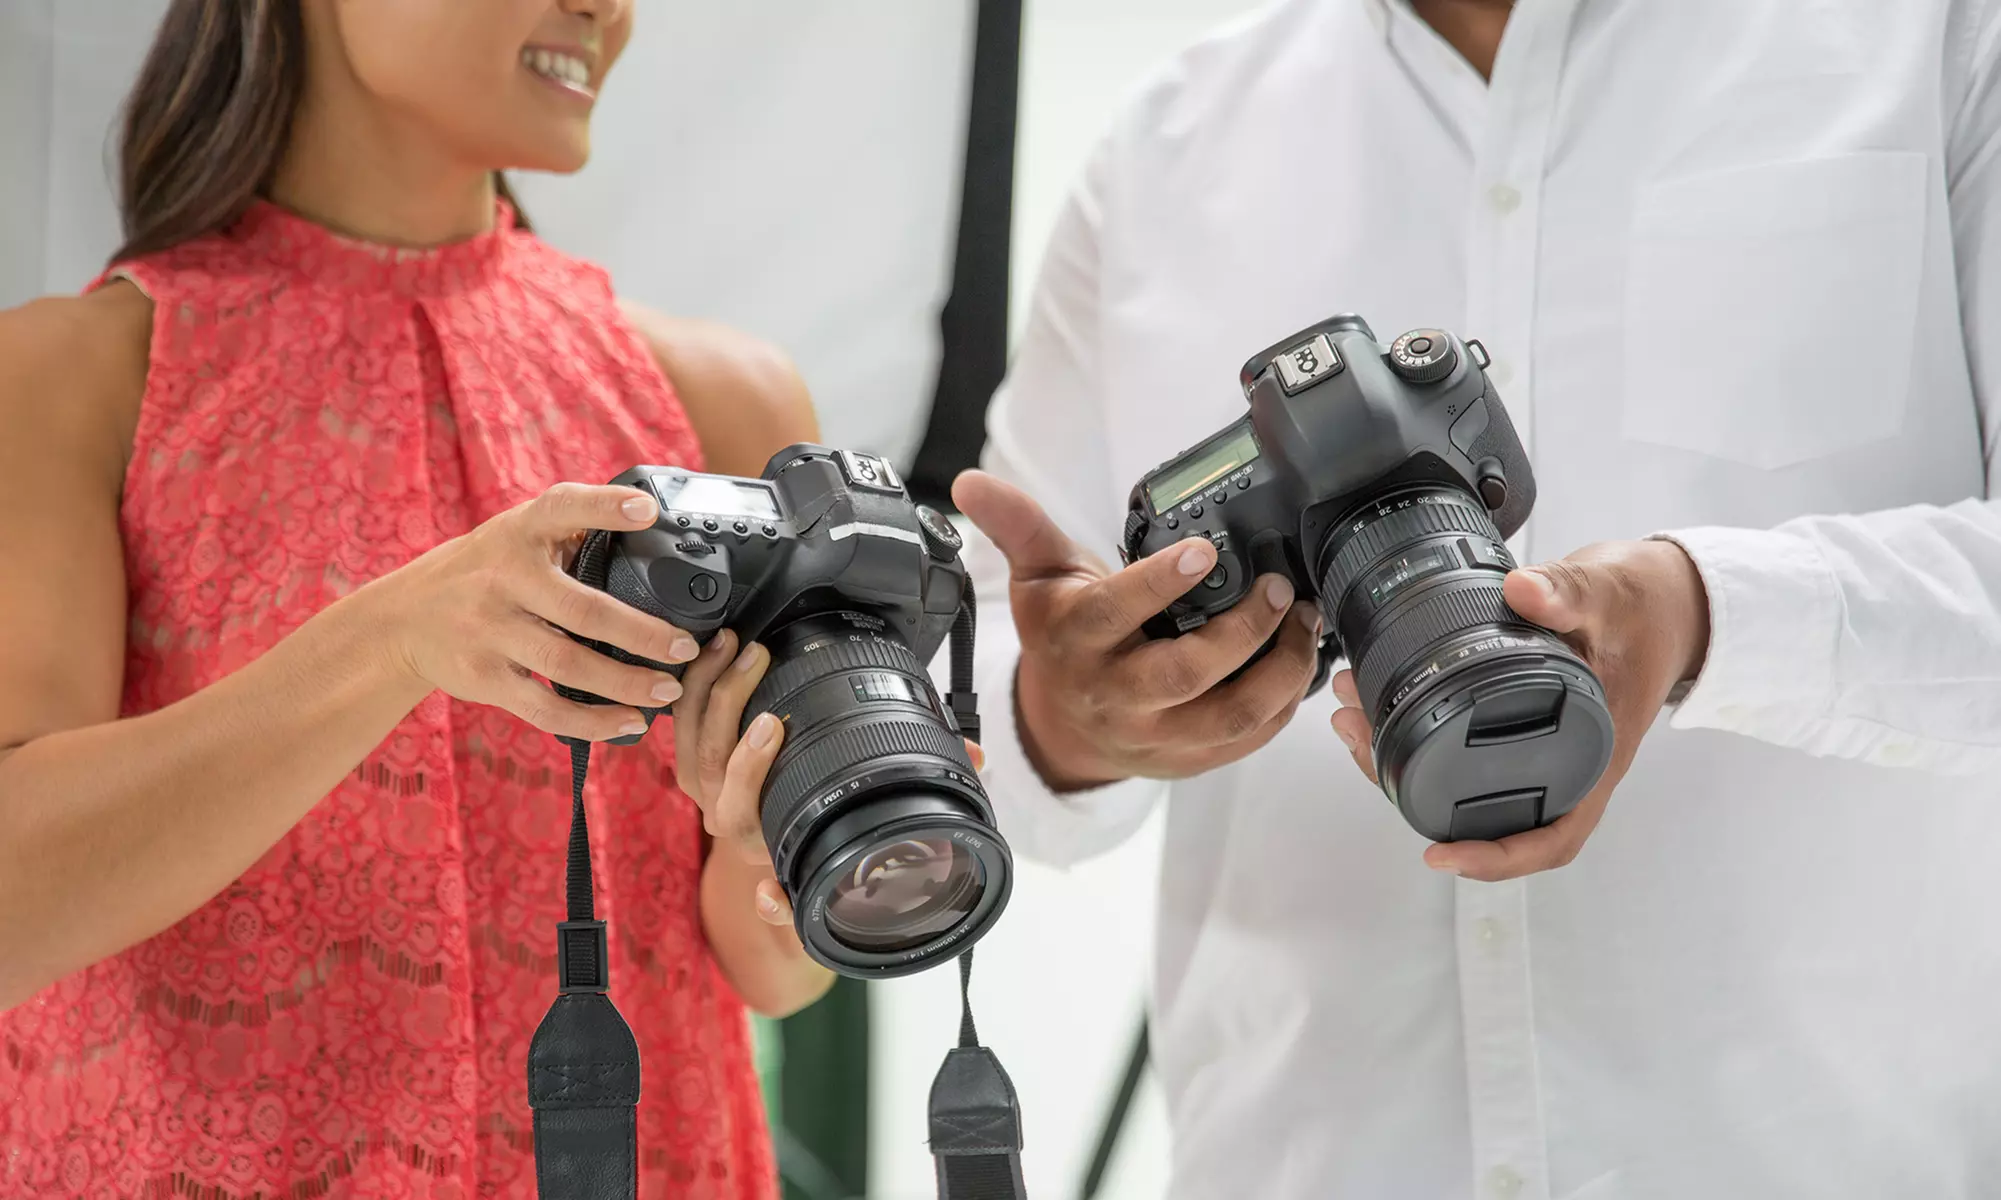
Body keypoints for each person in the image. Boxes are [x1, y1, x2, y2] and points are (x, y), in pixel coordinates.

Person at [943, 0, 2001, 1196]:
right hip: (1307, 1158)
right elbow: (983, 685)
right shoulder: (1166, 147)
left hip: (1833, 1157)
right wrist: (1066, 723)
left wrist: (1705, 612)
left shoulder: (1941, 40)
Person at [0, 1, 838, 1196]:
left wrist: (775, 852)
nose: (606, 7)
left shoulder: (726, 402)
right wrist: (390, 641)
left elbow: (770, 975)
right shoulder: (62, 385)